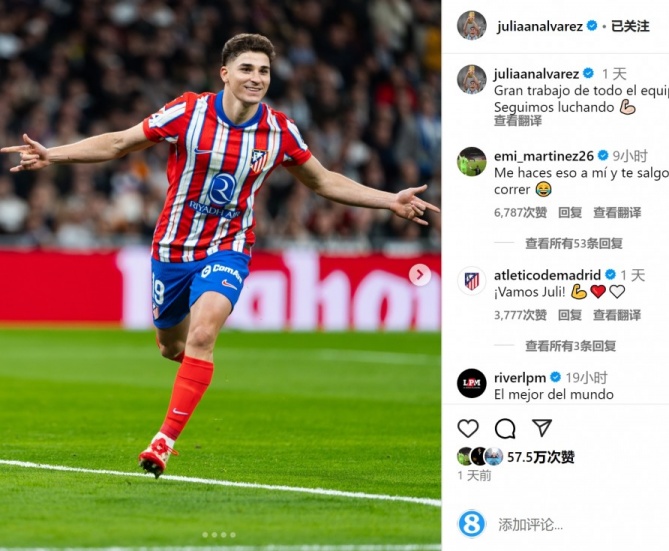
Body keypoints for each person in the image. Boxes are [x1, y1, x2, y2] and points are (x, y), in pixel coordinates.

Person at [1, 33, 439, 478]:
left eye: (264, 71)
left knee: (203, 333)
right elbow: (119, 143)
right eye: (247, 69)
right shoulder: (188, 112)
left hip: (229, 245)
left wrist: (389, 200)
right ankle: (194, 365)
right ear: (225, 73)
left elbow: (323, 180)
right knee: (172, 346)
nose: (256, 78)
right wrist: (53, 155)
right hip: (173, 248)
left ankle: (163, 441)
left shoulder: (279, 130)